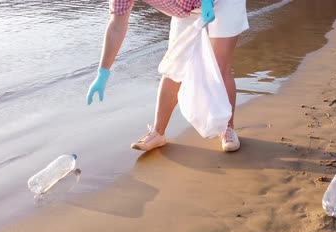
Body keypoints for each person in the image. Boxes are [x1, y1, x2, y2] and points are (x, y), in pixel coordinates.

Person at [87, 0, 248, 152]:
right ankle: (158, 133)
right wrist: (103, 72)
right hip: (185, 9)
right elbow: (117, 26)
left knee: (220, 65)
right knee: (174, 65)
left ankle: (227, 129)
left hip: (224, 2)